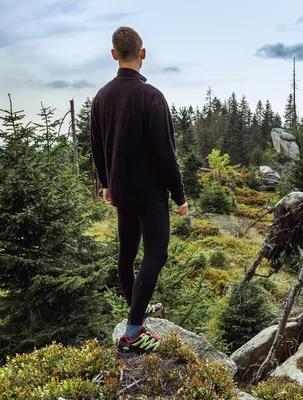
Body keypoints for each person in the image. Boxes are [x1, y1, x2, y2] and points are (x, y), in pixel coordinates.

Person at [90, 26, 188, 358]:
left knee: (128, 253)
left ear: (114, 54)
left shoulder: (102, 96)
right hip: (149, 192)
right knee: (156, 253)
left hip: (120, 189)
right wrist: (179, 194)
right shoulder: (152, 97)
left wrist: (106, 183)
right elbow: (165, 152)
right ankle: (133, 333)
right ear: (142, 54)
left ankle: (137, 313)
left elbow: (97, 147)